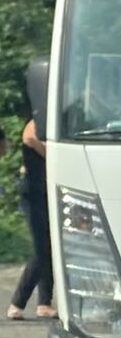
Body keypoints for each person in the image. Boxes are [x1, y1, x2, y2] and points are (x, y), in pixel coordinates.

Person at [7, 119, 54, 320]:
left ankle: (44, 303)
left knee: (50, 247)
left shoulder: (58, 123)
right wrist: (52, 155)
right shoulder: (37, 122)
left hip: (46, 191)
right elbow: (28, 137)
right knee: (40, 250)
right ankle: (17, 304)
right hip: (32, 193)